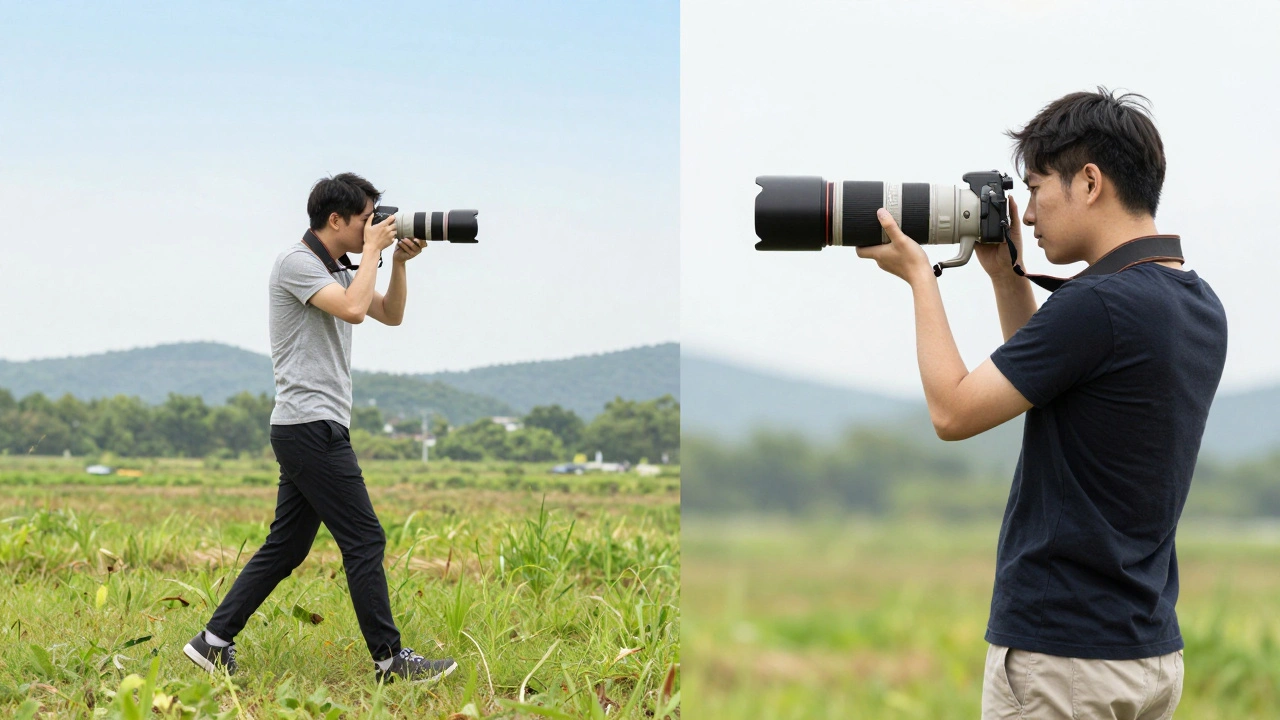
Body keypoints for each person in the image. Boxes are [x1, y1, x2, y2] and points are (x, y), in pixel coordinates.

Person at [856, 89, 1226, 719]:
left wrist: (922, 278)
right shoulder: (1193, 300)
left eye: (1034, 188)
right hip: (1145, 652)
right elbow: (1054, 381)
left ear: (1089, 182)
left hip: (1063, 656)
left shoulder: (1098, 305)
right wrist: (1007, 279)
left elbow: (952, 412)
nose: (1026, 215)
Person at [183, 173, 458, 684]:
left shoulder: (336, 266)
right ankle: (389, 660)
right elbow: (355, 309)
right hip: (308, 426)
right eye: (365, 219)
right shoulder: (296, 262)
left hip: (315, 425)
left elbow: (388, 315)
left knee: (287, 547)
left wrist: (395, 262)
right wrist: (375, 252)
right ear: (336, 220)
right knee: (365, 539)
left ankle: (212, 642)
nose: (372, 226)